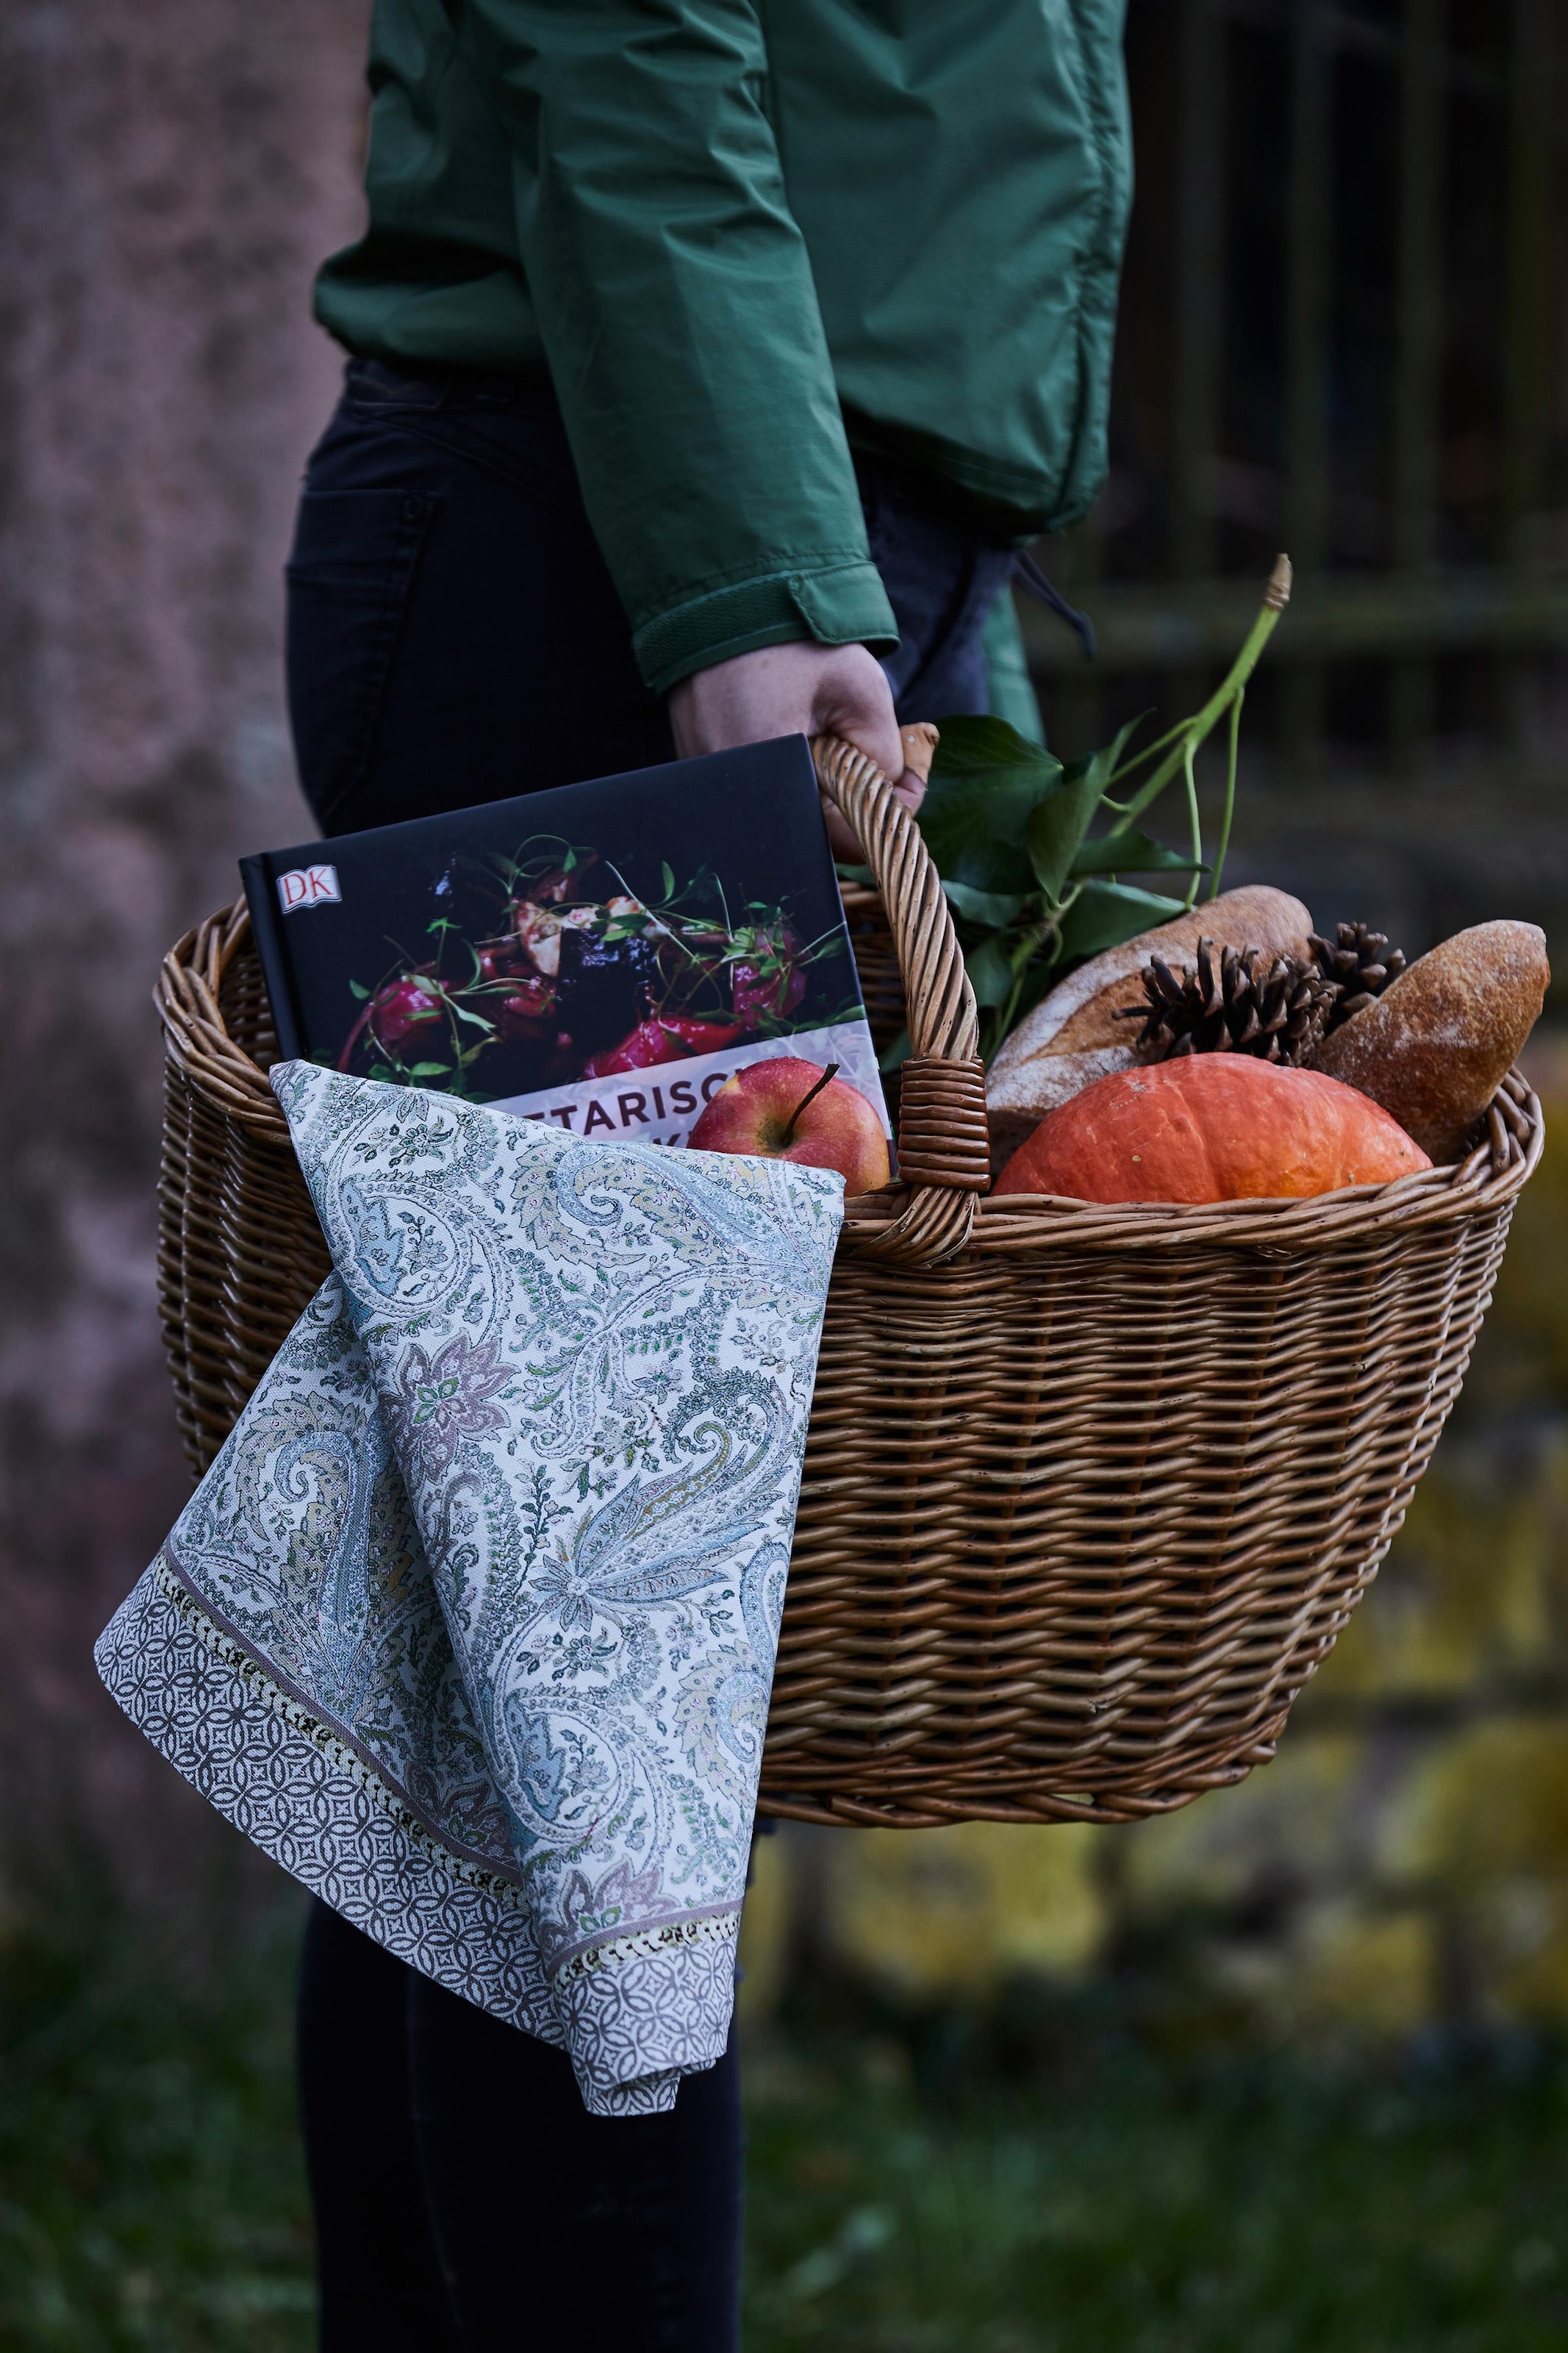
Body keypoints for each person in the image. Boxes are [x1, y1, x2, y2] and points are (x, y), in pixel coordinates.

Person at [284, 3, 1131, 2344]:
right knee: (598, 1739)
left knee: (491, 1696)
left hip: (789, 536)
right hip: (630, 545)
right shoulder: (699, 561)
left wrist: (929, 605)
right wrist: (752, 570)